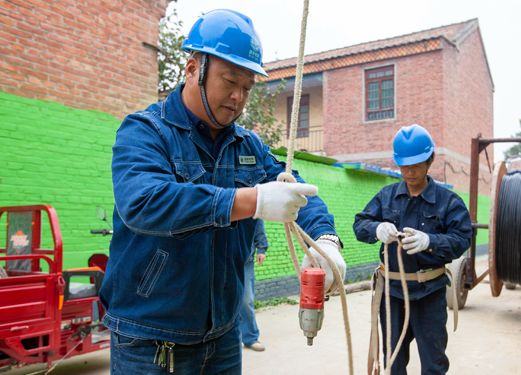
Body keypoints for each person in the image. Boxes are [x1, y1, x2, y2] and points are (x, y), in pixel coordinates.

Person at [100, 9, 346, 375]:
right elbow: (145, 203)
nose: (238, 97)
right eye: (229, 82)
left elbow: (295, 190)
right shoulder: (145, 132)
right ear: (192, 69)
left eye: (247, 88)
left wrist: (325, 240)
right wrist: (253, 200)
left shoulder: (249, 146)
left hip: (224, 340)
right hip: (150, 342)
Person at [353, 124, 472, 375]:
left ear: (430, 160)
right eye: (404, 165)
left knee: (434, 363)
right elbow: (359, 225)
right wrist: (376, 229)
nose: (410, 171)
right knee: (393, 361)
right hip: (392, 293)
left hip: (430, 293)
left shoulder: (449, 201)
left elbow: (463, 238)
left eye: (416, 164)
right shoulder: (386, 197)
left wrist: (431, 241)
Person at [240, 218, 268, 352]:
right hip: (221, 257)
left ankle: (250, 338)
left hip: (246, 259)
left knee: (247, 300)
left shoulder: (248, 198)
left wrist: (261, 248)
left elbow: (257, 221)